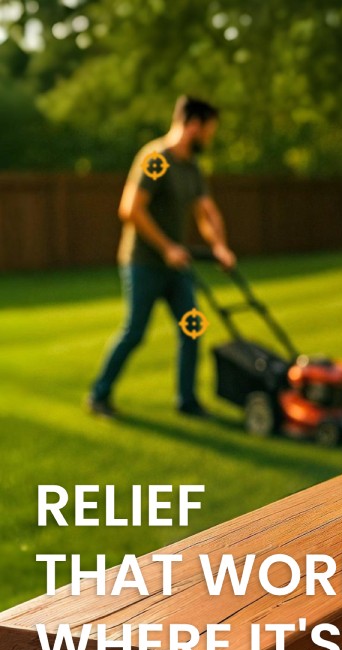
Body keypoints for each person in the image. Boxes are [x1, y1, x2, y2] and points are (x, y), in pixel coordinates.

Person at [88, 95, 236, 417]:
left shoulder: (191, 166)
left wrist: (220, 246)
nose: (211, 137)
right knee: (135, 332)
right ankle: (99, 394)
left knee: (192, 328)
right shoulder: (157, 159)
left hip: (176, 267)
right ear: (193, 125)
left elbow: (205, 212)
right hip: (144, 264)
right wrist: (167, 247)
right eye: (209, 129)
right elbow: (130, 209)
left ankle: (187, 401)